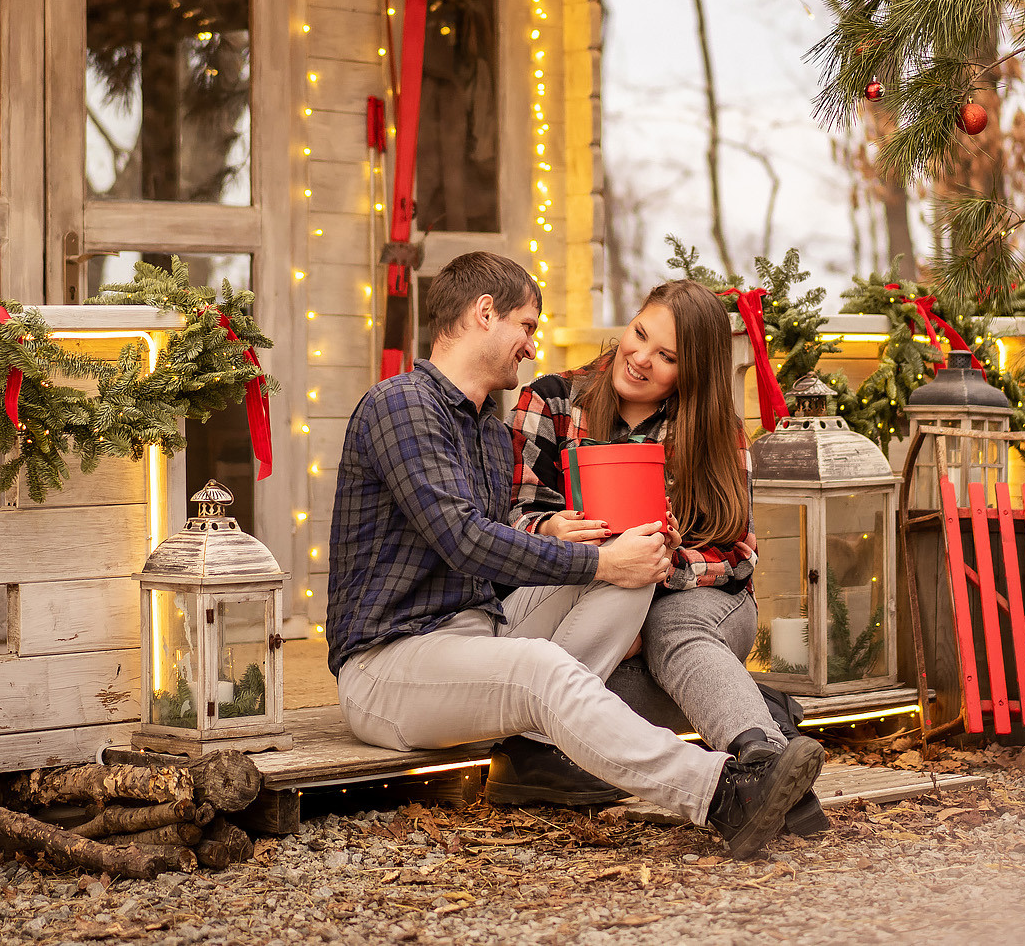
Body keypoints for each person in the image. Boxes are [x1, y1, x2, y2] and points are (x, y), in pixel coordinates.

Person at [326, 251, 823, 859]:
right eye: (528, 328)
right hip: (389, 665)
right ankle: (720, 792)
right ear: (486, 314)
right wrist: (589, 559)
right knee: (544, 665)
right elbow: (465, 539)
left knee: (634, 566)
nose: (533, 347)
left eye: (667, 356)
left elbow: (716, 551)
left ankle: (562, 742)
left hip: (478, 634)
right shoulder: (401, 406)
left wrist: (624, 559)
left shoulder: (484, 423)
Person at [508, 279, 828, 834]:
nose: (640, 359)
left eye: (667, 357)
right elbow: (513, 515)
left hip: (705, 602)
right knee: (576, 691)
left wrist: (662, 564)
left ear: (693, 371)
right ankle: (763, 728)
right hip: (589, 609)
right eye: (639, 335)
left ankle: (759, 756)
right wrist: (554, 528)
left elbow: (739, 553)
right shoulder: (553, 400)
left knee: (669, 627)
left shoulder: (712, 427)